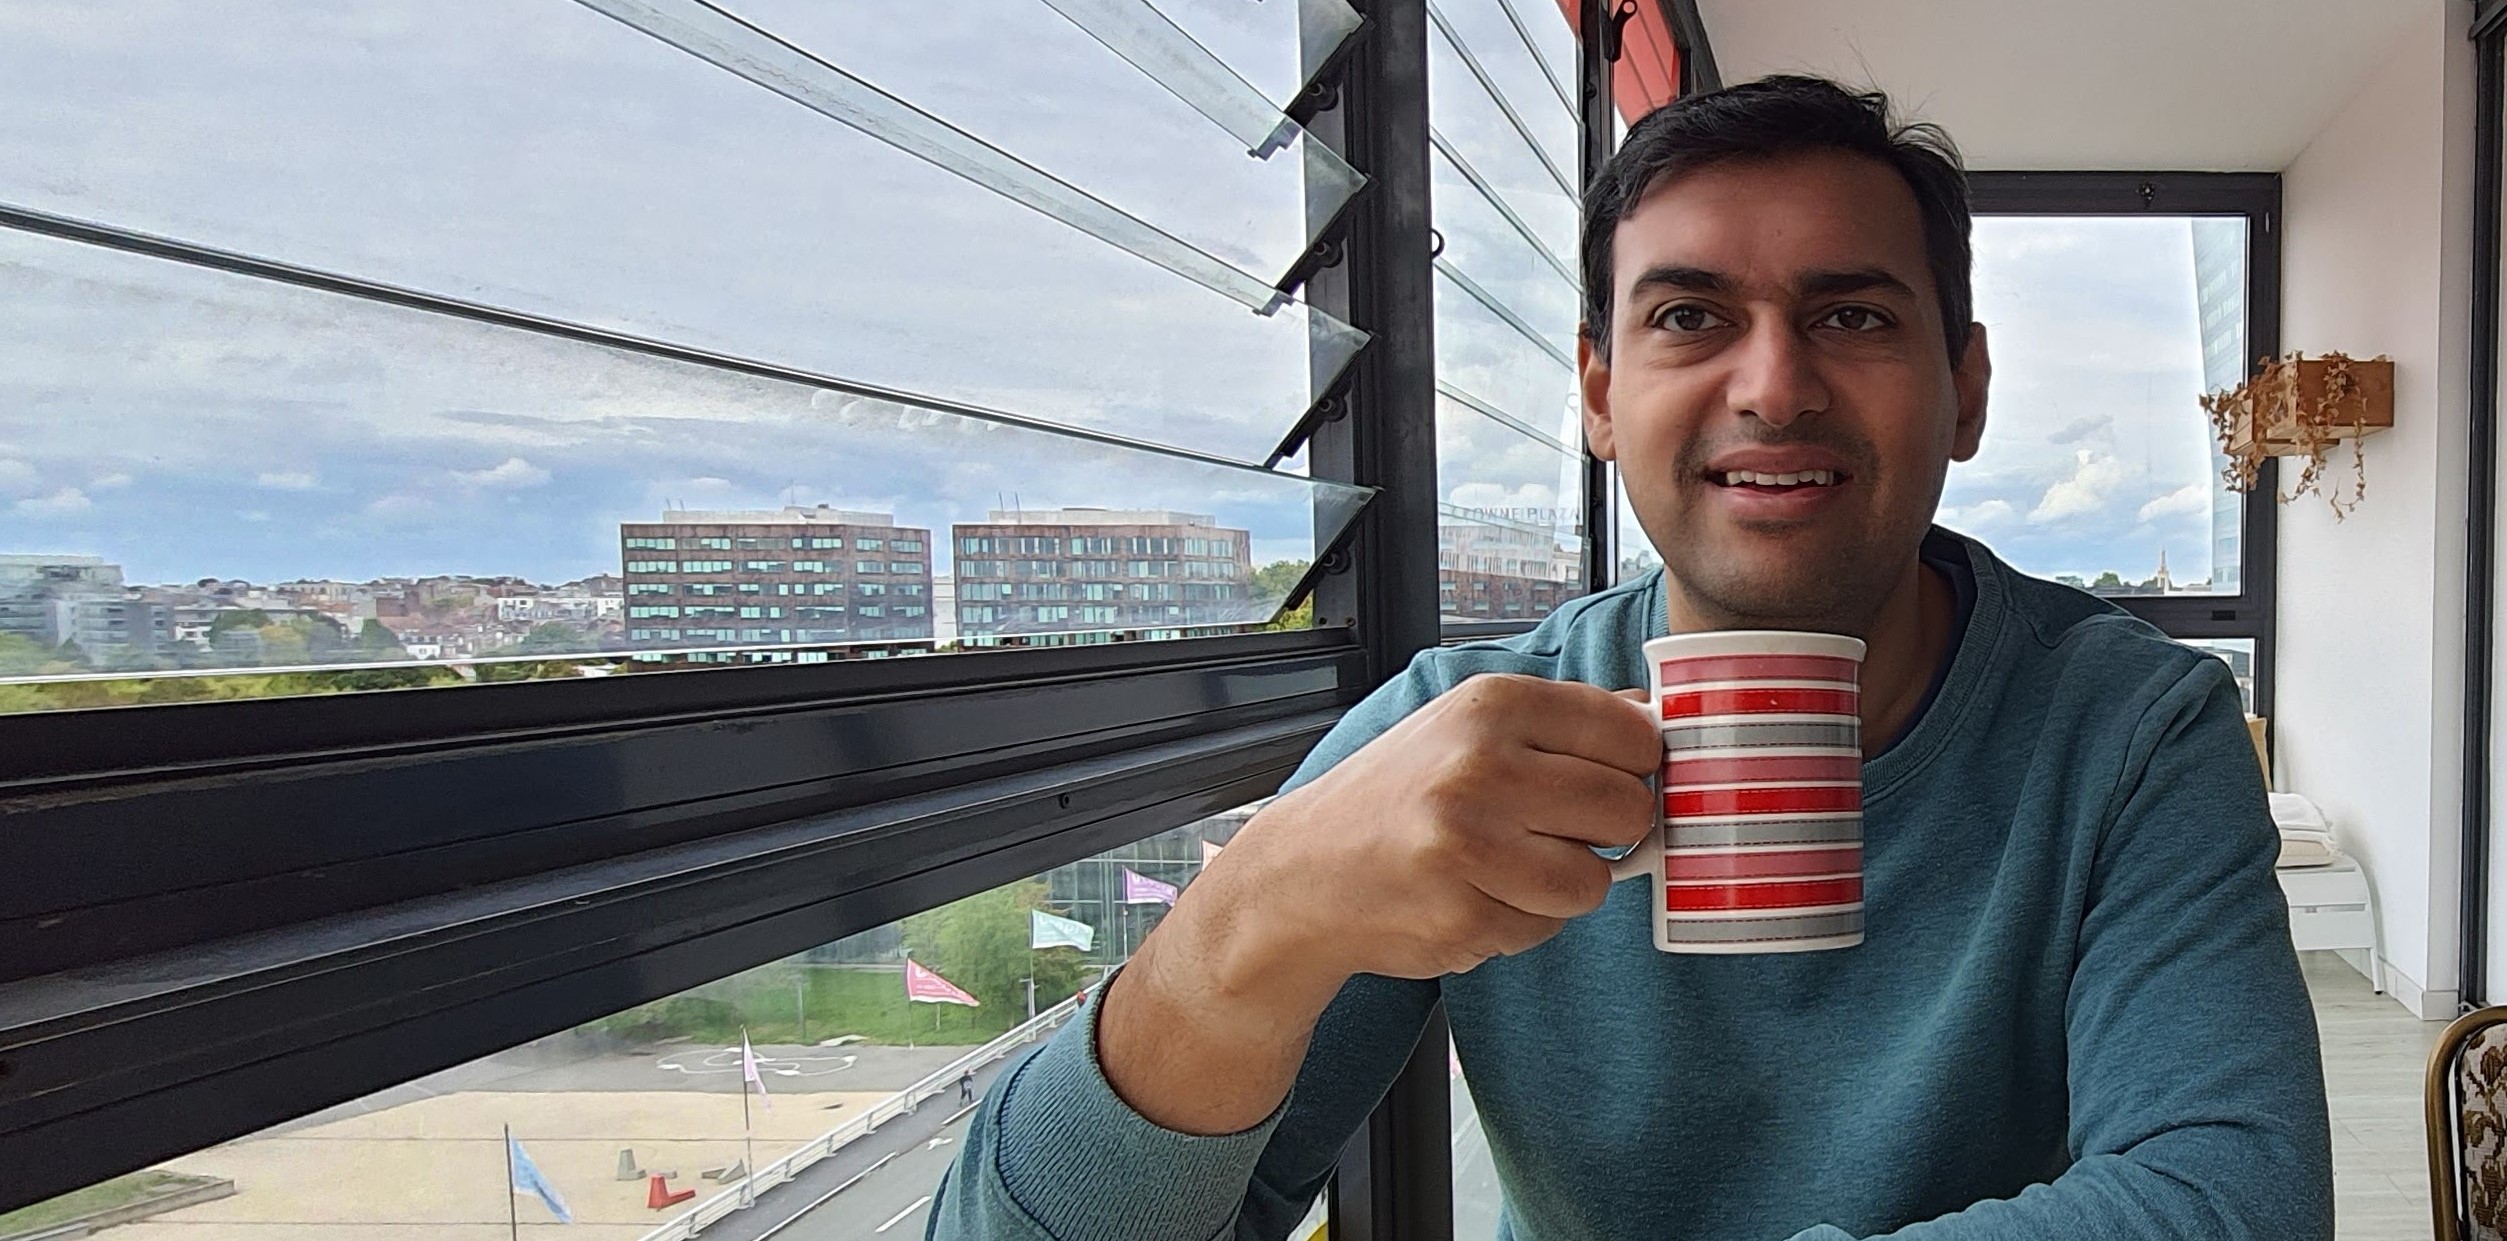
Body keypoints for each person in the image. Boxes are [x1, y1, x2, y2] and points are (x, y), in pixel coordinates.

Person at [927, 75, 2331, 1240]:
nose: (1773, 386)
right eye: (1689, 317)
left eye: (1852, 316)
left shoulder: (2132, 727)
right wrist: (1244, 925)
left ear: (1963, 390)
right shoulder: (1454, 737)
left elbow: (2235, 1200)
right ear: (1601, 393)